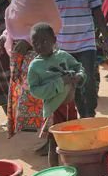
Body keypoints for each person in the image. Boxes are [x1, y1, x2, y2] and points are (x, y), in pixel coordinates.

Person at [0, 0, 62, 139]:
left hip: (40, 56)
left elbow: (55, 25)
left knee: (44, 98)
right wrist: (4, 36)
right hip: (20, 57)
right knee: (29, 100)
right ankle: (43, 139)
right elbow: (15, 21)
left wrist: (28, 40)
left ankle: (50, 141)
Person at [51, 0, 108, 119]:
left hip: (86, 44)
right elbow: (49, 17)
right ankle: (80, 113)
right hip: (63, 47)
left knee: (89, 80)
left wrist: (105, 37)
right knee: (71, 83)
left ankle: (89, 112)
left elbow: (98, 14)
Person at [26, 23, 84, 166]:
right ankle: (54, 170)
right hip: (54, 109)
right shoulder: (35, 66)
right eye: (35, 43)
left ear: (54, 39)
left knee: (71, 140)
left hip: (70, 106)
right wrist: (60, 82)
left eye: (44, 41)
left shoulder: (63, 56)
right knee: (54, 143)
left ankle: (72, 169)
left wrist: (79, 76)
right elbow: (35, 90)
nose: (40, 45)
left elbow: (78, 67)